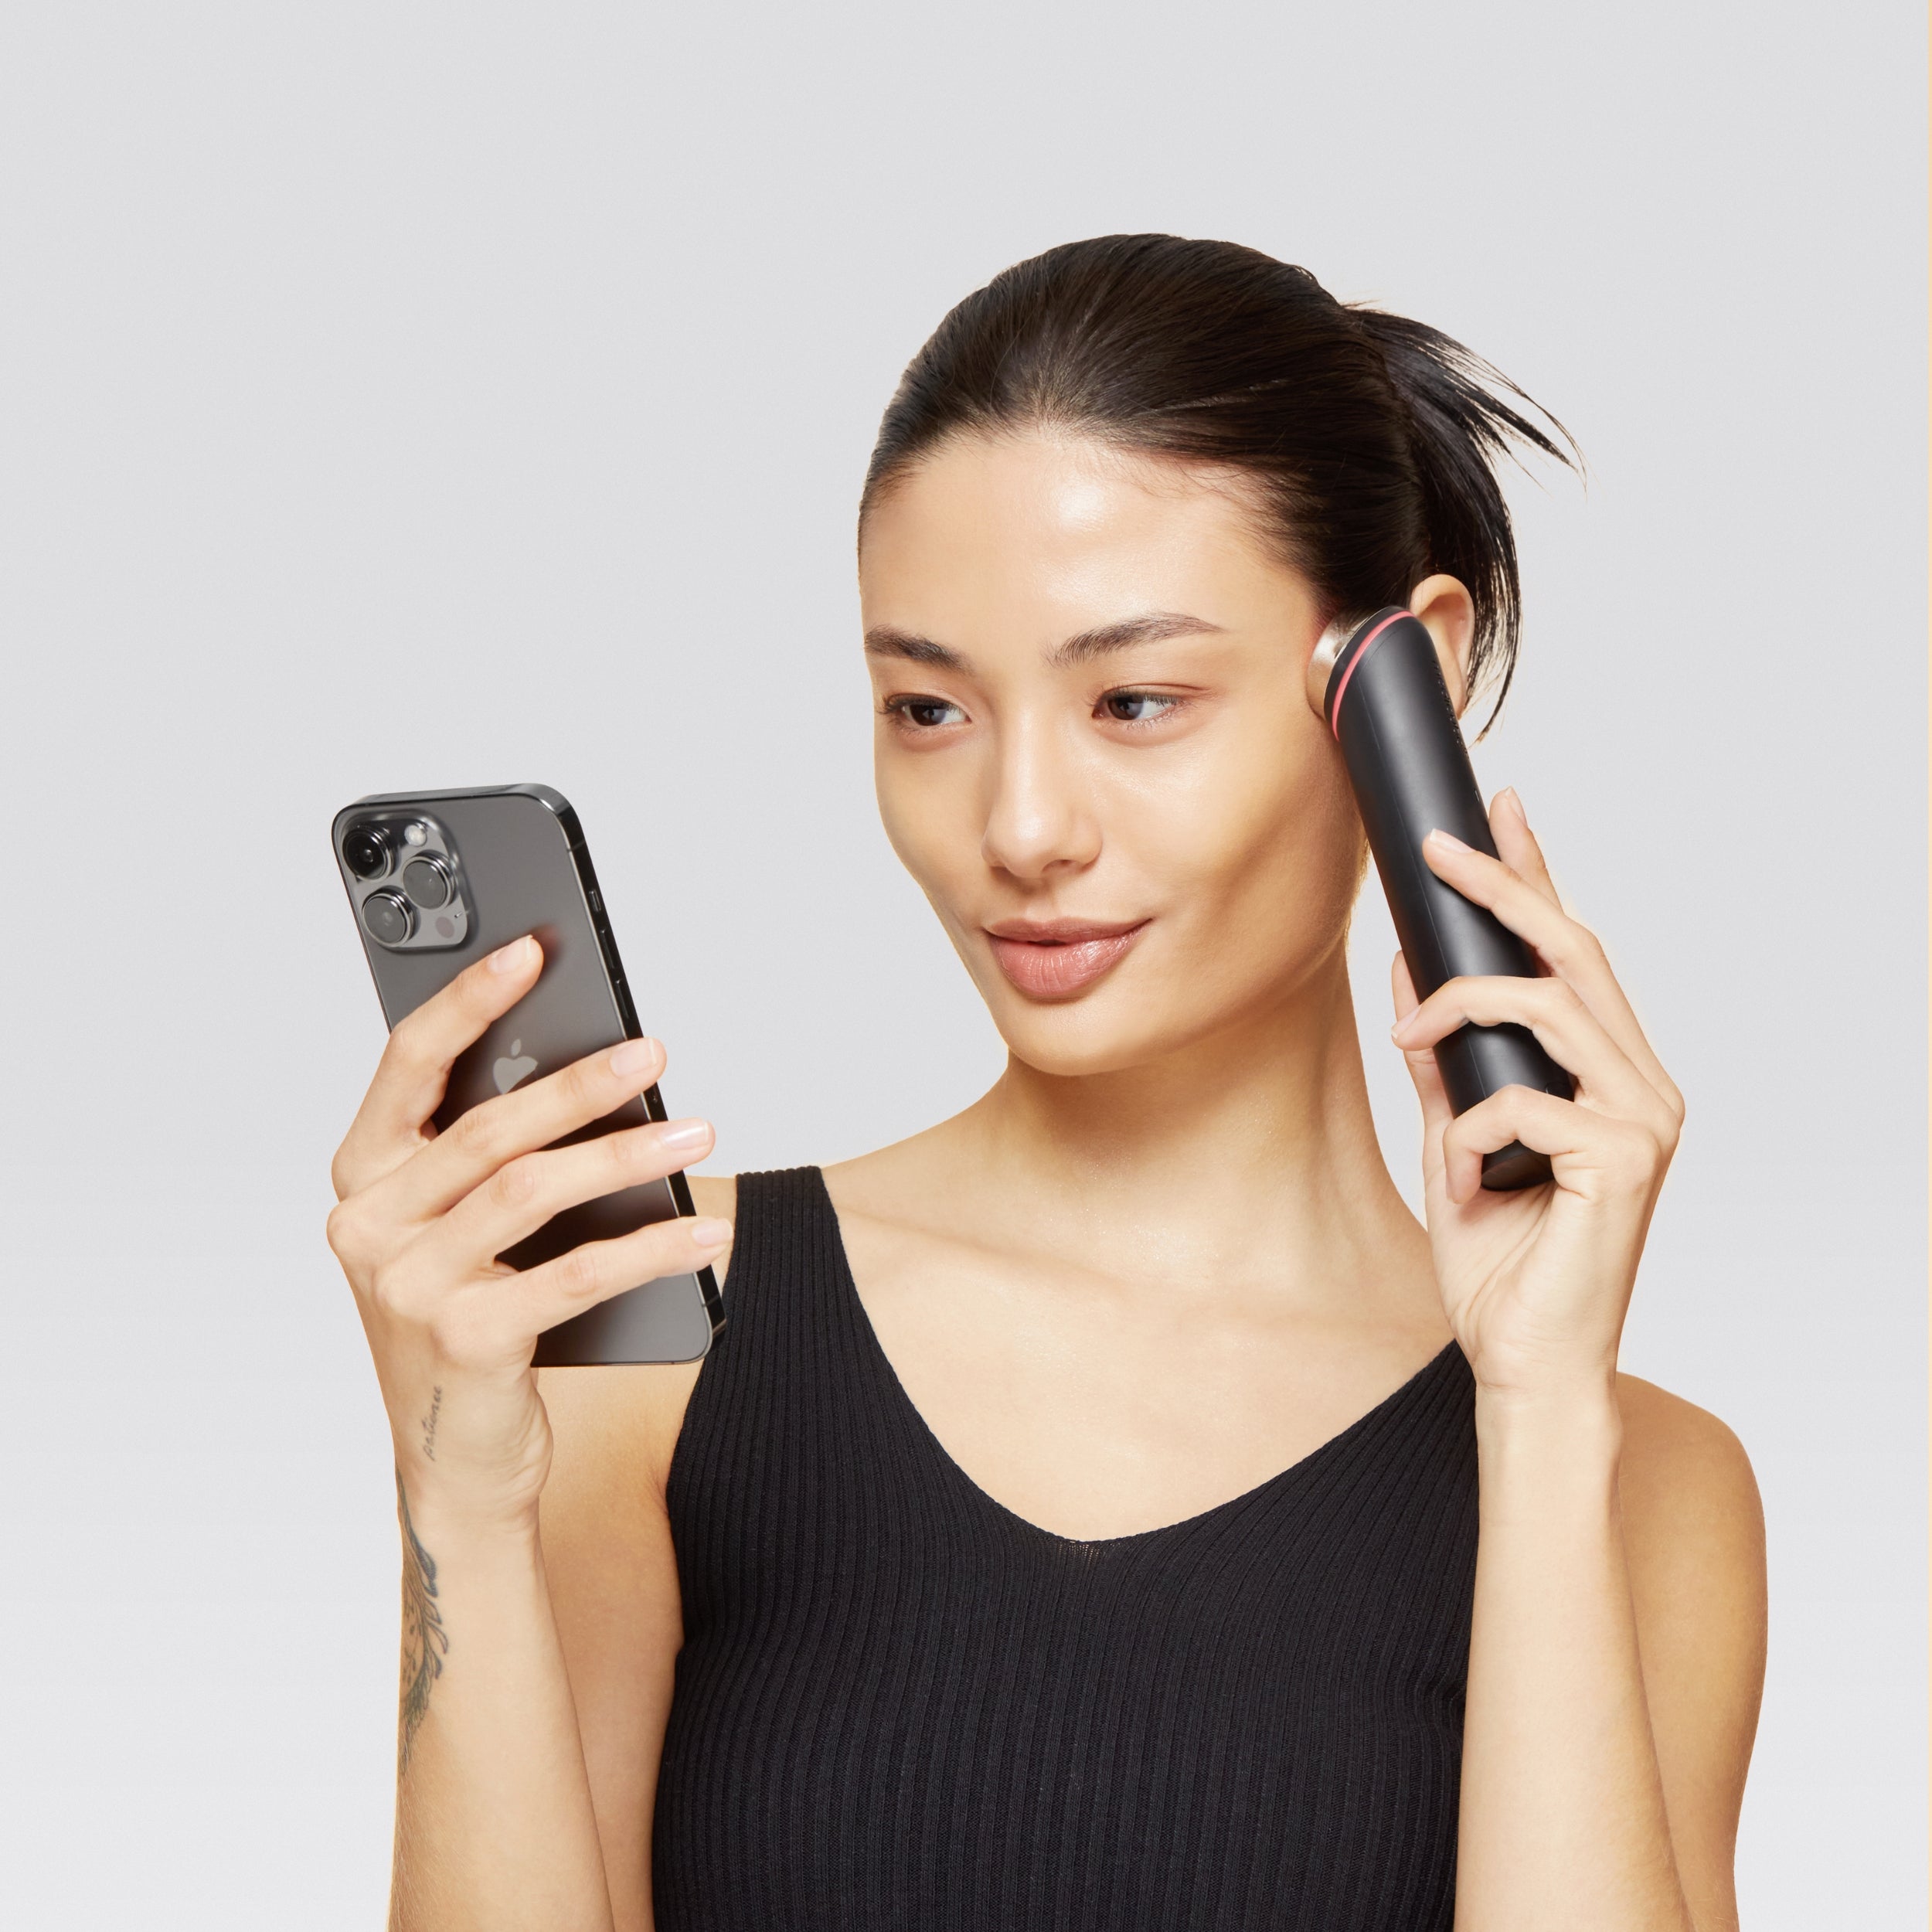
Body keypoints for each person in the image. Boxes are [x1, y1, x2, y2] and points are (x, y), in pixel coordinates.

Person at [326, 235, 1767, 1932]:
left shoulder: (1645, 1483)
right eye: (928, 709)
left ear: (1399, 682)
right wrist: (460, 1499)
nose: (1018, 829)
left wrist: (1535, 1413)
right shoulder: (651, 1322)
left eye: (1134, 700)